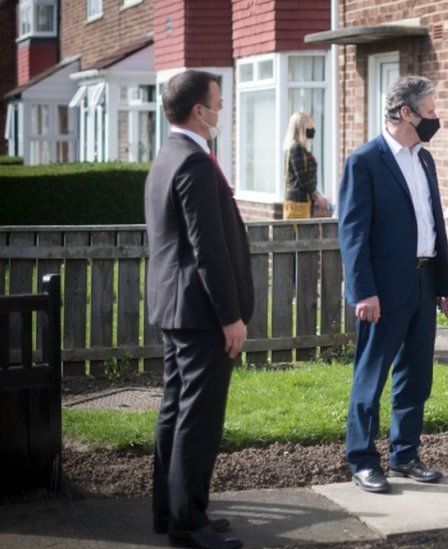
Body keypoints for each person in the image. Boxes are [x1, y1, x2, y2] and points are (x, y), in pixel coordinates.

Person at [145, 69, 253, 549]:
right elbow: (207, 248)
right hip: (200, 313)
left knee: (175, 409)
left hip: (175, 308)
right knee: (198, 417)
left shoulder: (166, 156)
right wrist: (230, 316)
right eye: (217, 101)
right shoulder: (193, 162)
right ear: (197, 111)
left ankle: (172, 510)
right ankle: (189, 525)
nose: (222, 109)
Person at [338, 75, 448, 493]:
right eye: (430, 110)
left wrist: (444, 284)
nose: (436, 117)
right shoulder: (365, 161)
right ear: (406, 112)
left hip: (424, 284)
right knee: (371, 376)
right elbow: (353, 234)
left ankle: (405, 455)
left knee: (416, 376)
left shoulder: (425, 160)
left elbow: (433, 225)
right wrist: (363, 291)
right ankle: (362, 460)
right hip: (382, 292)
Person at [283, 111, 331, 219]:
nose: (312, 129)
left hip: (301, 201)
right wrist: (317, 197)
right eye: (310, 126)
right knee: (299, 234)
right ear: (302, 128)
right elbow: (303, 178)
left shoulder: (300, 148)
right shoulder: (296, 148)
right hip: (298, 203)